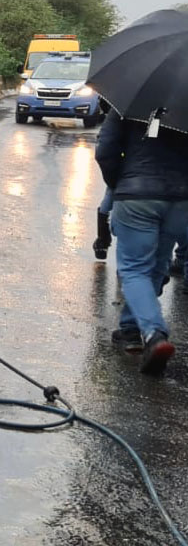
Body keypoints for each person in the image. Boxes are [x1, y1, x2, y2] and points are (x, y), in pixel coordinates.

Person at [94, 108, 188, 374]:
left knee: (134, 269)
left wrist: (120, 183)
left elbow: (105, 151)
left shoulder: (132, 102)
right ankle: (131, 330)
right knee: (158, 265)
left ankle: (154, 333)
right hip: (180, 200)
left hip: (136, 196)